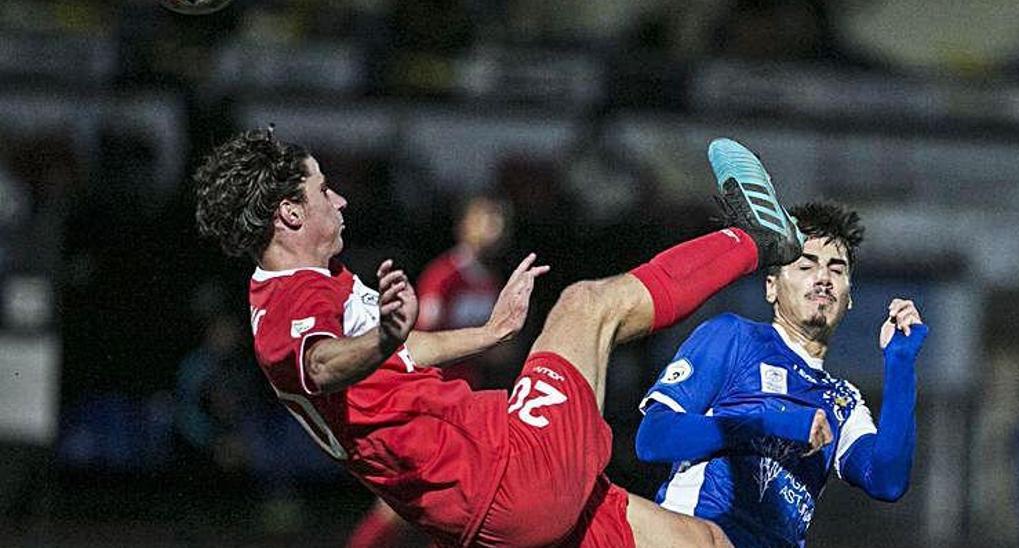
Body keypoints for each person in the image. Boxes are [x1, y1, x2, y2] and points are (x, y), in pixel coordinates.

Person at [193, 128, 800, 546]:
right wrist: (380, 340)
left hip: (493, 511)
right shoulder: (285, 310)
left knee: (702, 539)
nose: (341, 197)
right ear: (291, 215)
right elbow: (325, 365)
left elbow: (400, 353)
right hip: (506, 475)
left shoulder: (315, 283)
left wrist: (488, 333)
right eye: (325, 188)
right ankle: (756, 239)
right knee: (585, 306)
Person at [634, 200, 930, 547]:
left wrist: (900, 363)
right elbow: (653, 438)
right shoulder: (735, 338)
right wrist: (767, 422)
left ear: (849, 298)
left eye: (837, 269)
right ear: (771, 286)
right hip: (696, 535)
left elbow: (887, 481)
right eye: (806, 266)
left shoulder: (843, 401)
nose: (823, 278)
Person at [347, 194, 512, 548]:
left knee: (453, 500)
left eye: (499, 221)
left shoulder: (491, 282)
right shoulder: (444, 276)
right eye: (486, 219)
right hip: (435, 404)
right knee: (411, 499)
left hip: (469, 405)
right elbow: (421, 342)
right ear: (463, 225)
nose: (494, 229)